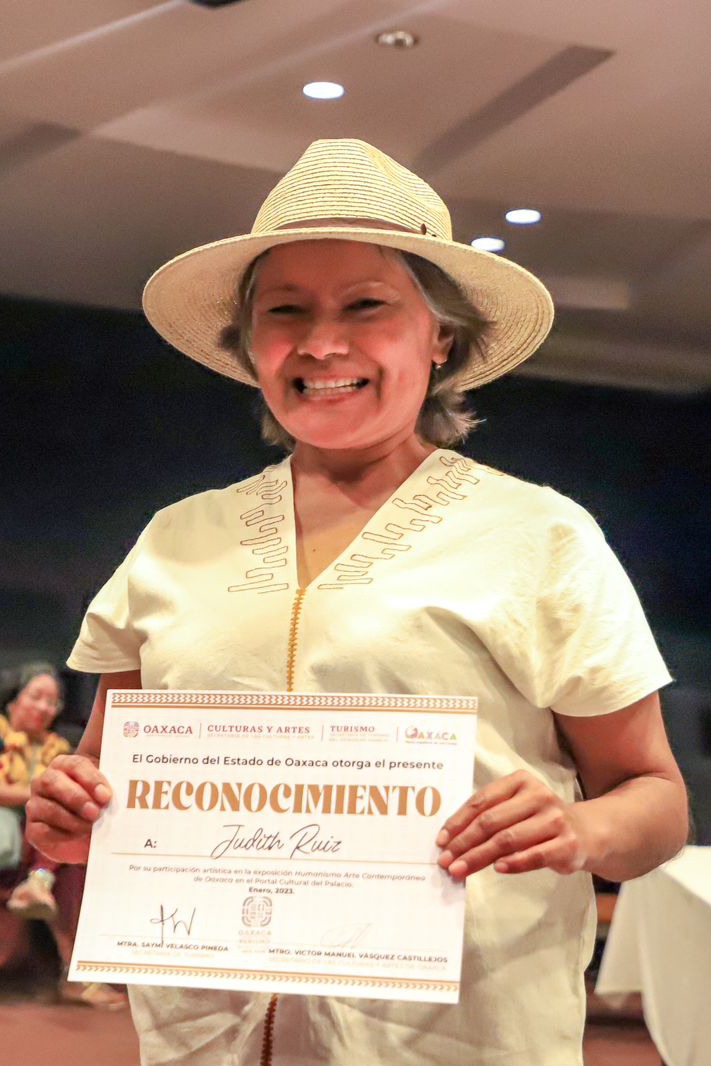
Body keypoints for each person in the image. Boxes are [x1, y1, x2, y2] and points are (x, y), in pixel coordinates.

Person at [27, 139, 687, 1064]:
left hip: (452, 1039)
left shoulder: (537, 535)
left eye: (366, 305)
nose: (321, 343)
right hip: (203, 1036)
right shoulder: (176, 539)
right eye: (284, 310)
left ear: (440, 336)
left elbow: (654, 800)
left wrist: (577, 829)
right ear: (250, 342)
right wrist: (69, 815)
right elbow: (103, 785)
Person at [0, 662, 127, 1008]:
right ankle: (38, 882)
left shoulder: (58, 747)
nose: (44, 708)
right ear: (13, 700)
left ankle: (76, 973)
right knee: (49, 826)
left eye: (52, 702)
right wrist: (38, 794)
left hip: (35, 845)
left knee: (72, 854)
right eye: (36, 697)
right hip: (8, 837)